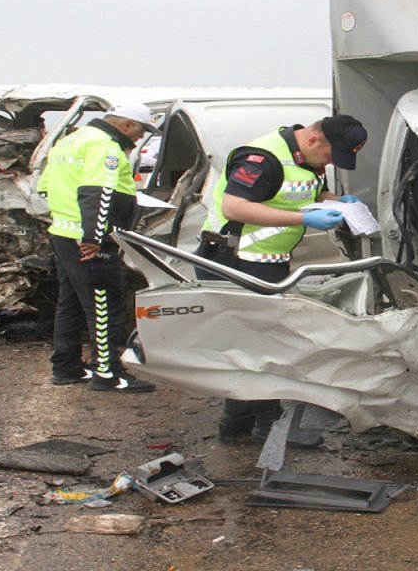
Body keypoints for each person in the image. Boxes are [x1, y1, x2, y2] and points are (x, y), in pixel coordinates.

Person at [195, 114, 368, 444]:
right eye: (332, 156)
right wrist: (304, 217)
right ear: (315, 140)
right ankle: (268, 423)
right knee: (259, 344)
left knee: (251, 342)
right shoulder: (262, 158)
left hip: (266, 261)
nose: (331, 163)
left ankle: (236, 422)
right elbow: (235, 207)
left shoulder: (307, 159)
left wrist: (337, 203)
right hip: (233, 259)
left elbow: (298, 193)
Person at [37, 104, 161, 393]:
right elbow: (98, 192)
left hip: (64, 233)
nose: (139, 137)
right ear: (128, 125)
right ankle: (107, 373)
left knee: (70, 303)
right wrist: (94, 237)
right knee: (103, 303)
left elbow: (45, 187)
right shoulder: (105, 146)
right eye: (142, 130)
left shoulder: (69, 140)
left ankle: (66, 366)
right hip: (88, 239)